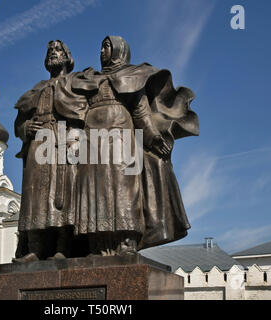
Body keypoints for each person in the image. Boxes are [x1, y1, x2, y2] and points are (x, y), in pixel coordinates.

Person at [71, 35, 199, 255]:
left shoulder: (132, 75)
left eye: (107, 46)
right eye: (101, 47)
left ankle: (126, 240)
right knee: (94, 189)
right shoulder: (89, 78)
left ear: (119, 50)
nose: (102, 51)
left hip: (121, 134)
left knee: (124, 187)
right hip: (91, 138)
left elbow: (140, 111)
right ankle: (98, 242)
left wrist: (152, 137)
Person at [13, 40, 88, 262]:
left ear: (67, 56)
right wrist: (26, 128)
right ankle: (34, 249)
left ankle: (63, 248)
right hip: (38, 142)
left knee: (64, 193)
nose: (52, 54)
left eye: (57, 50)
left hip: (67, 140)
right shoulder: (36, 89)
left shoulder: (76, 83)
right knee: (35, 194)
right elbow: (19, 122)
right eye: (49, 51)